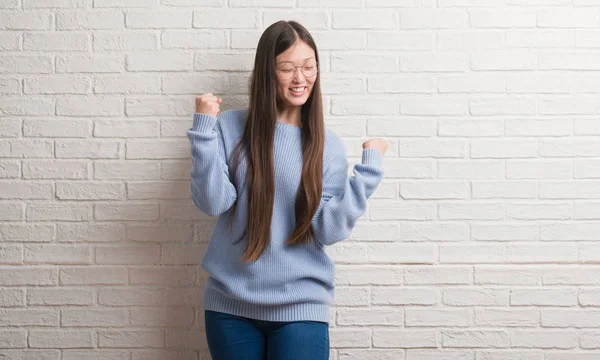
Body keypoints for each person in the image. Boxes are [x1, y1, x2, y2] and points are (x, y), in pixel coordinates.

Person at [186, 20, 388, 360]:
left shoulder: (328, 146)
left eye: (309, 67)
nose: (300, 78)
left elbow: (328, 228)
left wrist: (368, 172)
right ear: (268, 71)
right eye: (287, 68)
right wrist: (204, 130)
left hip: (302, 306)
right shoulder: (230, 127)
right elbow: (213, 201)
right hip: (230, 306)